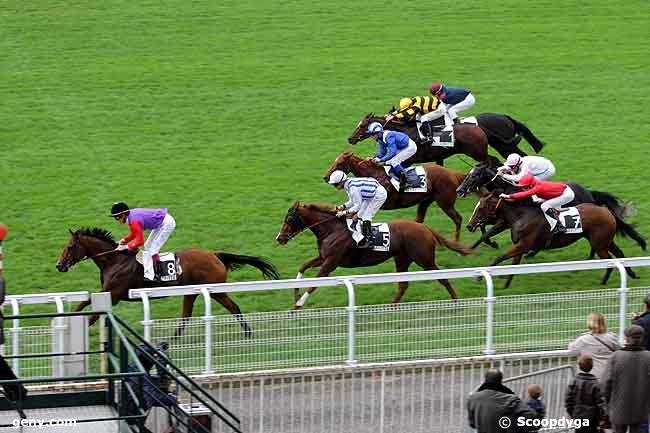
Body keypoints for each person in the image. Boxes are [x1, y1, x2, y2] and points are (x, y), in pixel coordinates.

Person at [110, 202, 176, 281]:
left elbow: (140, 242)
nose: (117, 220)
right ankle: (151, 272)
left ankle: (157, 275)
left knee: (153, 250)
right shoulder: (131, 216)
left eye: (117, 217)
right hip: (161, 223)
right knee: (148, 245)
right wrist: (123, 241)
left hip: (167, 224)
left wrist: (126, 247)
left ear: (123, 215)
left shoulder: (134, 221)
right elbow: (134, 233)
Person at [602, 325, 650, 433]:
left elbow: (605, 383)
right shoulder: (648, 357)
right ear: (642, 338)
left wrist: (605, 403)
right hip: (640, 407)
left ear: (627, 338)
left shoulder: (616, 357)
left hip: (618, 407)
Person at [467, 368, 539, 433]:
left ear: (485, 380)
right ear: (500, 381)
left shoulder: (473, 398)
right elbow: (531, 416)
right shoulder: (511, 399)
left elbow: (472, 423)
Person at [328, 170, 387, 247]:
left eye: (335, 185)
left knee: (366, 216)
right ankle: (359, 233)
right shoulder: (348, 184)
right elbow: (352, 201)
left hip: (378, 195)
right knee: (358, 216)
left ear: (341, 182)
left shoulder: (353, 189)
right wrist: (340, 207)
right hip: (369, 195)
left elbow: (357, 206)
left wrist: (343, 213)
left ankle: (370, 241)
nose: (335, 187)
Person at [499, 174, 575, 234]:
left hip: (566, 194)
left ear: (531, 185)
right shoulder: (535, 183)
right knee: (540, 202)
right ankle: (557, 218)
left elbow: (525, 194)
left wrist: (508, 196)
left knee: (544, 206)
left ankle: (559, 226)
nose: (523, 188)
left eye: (524, 187)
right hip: (558, 192)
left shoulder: (538, 187)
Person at [568, 312, 620, 380]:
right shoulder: (612, 337)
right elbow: (620, 350)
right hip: (610, 376)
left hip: (592, 378)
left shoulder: (583, 339)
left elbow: (572, 350)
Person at [366, 122, 419, 188]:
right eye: (370, 134)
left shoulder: (389, 137)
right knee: (389, 162)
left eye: (372, 134)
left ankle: (406, 181)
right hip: (401, 147)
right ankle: (396, 177)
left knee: (394, 161)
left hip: (409, 147)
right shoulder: (380, 139)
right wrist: (374, 158)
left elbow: (392, 152)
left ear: (379, 133)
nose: (371, 136)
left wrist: (380, 160)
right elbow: (383, 152)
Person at [565, 354, 606, 433]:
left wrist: (572, 413)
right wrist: (601, 417)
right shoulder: (596, 383)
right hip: (592, 418)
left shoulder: (574, 382)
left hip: (578, 415)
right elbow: (600, 403)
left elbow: (568, 400)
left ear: (579, 366)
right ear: (592, 366)